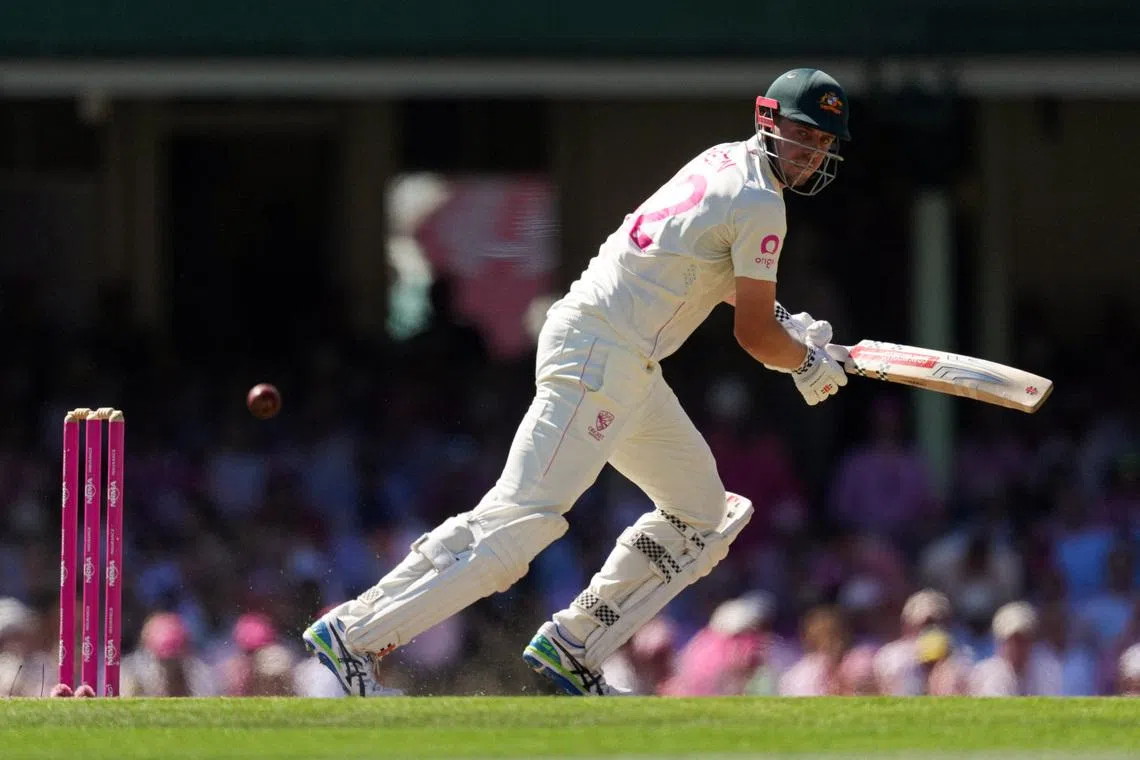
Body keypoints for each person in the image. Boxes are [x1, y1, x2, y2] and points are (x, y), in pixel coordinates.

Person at [301, 68, 853, 696]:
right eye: (802, 135)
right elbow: (753, 337)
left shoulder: (725, 163)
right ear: (768, 119)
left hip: (622, 359)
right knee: (520, 523)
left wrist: (791, 326)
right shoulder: (761, 202)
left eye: (822, 143)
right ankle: (354, 634)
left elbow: (706, 271)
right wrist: (805, 363)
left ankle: (574, 646)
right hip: (602, 353)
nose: (810, 154)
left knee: (704, 515)